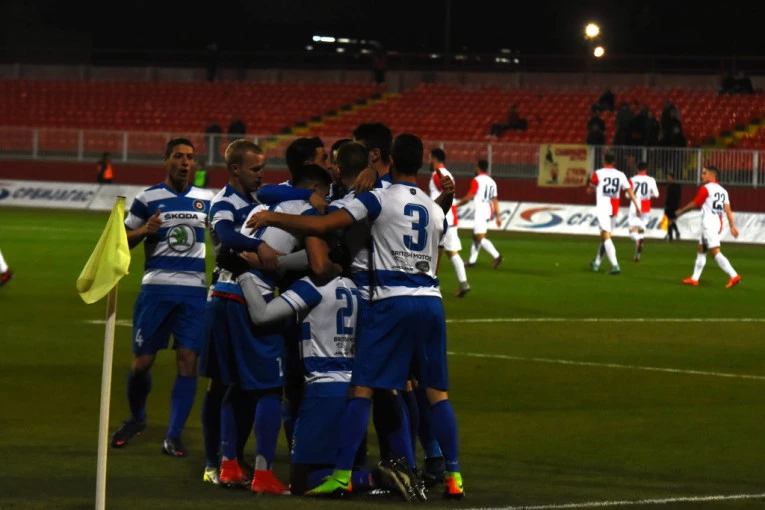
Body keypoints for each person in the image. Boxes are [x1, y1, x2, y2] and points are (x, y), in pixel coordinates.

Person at [246, 133, 465, 500]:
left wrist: (274, 218)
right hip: (430, 299)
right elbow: (435, 239)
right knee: (423, 391)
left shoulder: (372, 198)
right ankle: (449, 473)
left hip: (380, 300)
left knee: (363, 388)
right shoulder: (431, 206)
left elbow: (322, 230)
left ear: (386, 159)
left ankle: (346, 474)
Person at [111, 138, 214, 456]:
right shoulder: (147, 198)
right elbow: (119, 240)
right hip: (156, 288)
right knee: (141, 363)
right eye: (179, 156)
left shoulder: (207, 199)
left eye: (190, 157)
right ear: (166, 159)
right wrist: (144, 231)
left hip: (194, 290)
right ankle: (137, 418)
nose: (185, 162)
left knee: (188, 361)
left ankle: (173, 434)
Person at [199, 140, 274, 485]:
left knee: (244, 385)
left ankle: (233, 456)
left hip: (250, 298)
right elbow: (227, 235)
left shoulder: (258, 202)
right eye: (255, 169)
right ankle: (212, 462)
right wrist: (259, 244)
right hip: (225, 297)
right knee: (221, 384)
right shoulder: (224, 202)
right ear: (234, 169)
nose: (261, 175)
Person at [675, 166, 741, 288]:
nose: (702, 176)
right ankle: (694, 278)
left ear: (712, 175)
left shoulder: (706, 188)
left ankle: (734, 275)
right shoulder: (723, 191)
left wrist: (681, 211)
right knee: (701, 249)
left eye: (704, 173)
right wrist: (732, 226)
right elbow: (728, 210)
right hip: (717, 223)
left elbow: (696, 203)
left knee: (715, 252)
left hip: (709, 223)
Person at [588, 152, 641, 275]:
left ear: (604, 160)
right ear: (614, 162)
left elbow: (591, 188)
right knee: (605, 237)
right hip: (614, 208)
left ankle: (615, 265)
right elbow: (630, 191)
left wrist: (590, 190)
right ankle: (596, 263)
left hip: (603, 207)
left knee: (606, 236)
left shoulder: (598, 173)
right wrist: (637, 206)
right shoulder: (620, 174)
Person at [429, 149, 469, 297]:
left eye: (430, 158)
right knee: (452, 253)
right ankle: (463, 283)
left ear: (434, 158)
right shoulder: (448, 173)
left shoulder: (437, 174)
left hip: (441, 217)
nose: (428, 161)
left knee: (431, 253)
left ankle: (432, 285)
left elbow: (445, 193)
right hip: (450, 217)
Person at [455, 160, 503, 269]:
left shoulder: (476, 180)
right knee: (476, 236)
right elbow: (495, 200)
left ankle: (497, 256)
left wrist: (457, 205)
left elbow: (469, 197)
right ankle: (472, 261)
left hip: (481, 211)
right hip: (488, 210)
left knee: (479, 237)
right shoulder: (492, 182)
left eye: (476, 166)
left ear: (478, 168)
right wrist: (498, 216)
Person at [627, 162, 659, 262]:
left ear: (637, 169)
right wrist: (648, 195)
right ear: (646, 169)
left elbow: (627, 195)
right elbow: (656, 194)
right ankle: (637, 256)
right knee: (641, 230)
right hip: (646, 205)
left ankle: (637, 240)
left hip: (635, 204)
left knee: (632, 231)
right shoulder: (651, 180)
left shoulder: (632, 179)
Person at [664, 172, 682, 241]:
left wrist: (676, 206)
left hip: (673, 207)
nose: (667, 179)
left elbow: (677, 197)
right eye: (667, 178)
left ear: (672, 178)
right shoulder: (669, 186)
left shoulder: (676, 187)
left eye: (668, 178)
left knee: (670, 221)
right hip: (669, 206)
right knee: (670, 221)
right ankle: (673, 234)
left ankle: (671, 235)